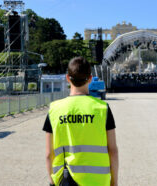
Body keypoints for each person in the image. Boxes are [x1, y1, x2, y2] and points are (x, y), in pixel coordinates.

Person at [43, 57, 119, 186]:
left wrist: (52, 182)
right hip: (98, 181)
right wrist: (114, 183)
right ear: (90, 79)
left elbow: (49, 154)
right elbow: (113, 151)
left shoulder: (55, 109)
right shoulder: (102, 109)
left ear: (68, 78)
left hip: (65, 180)